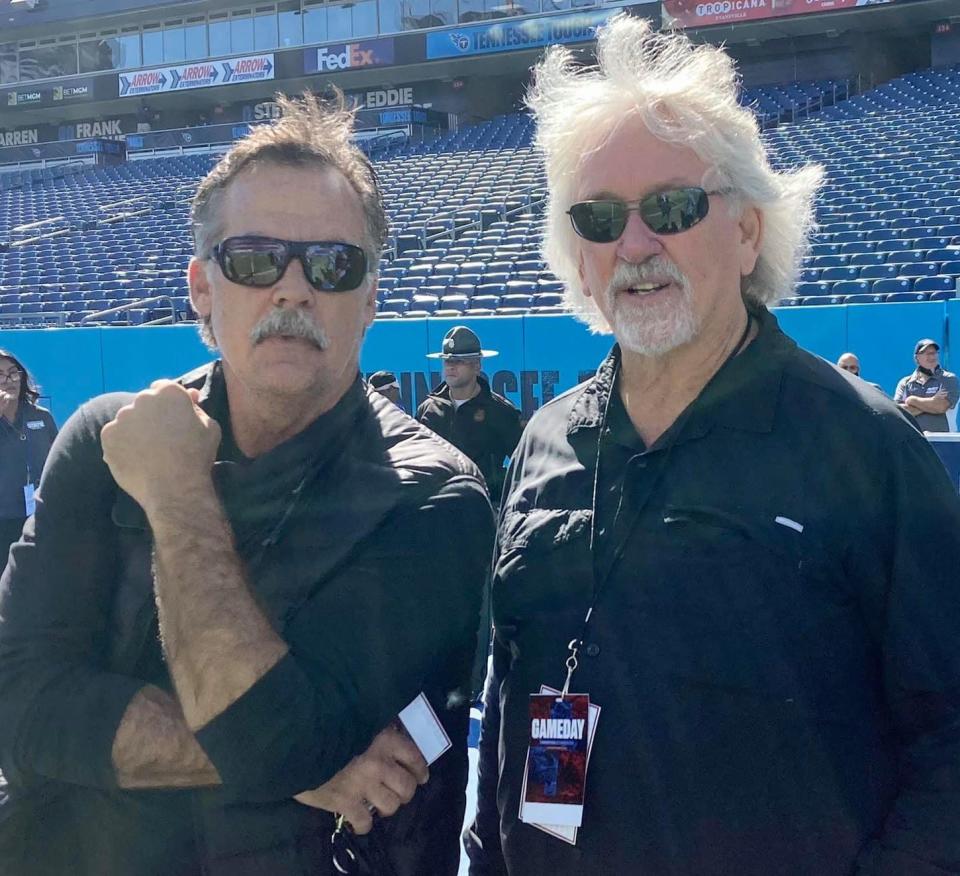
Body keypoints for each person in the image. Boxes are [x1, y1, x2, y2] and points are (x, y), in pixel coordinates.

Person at [467, 14, 960, 875]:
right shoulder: (544, 441)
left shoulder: (865, 446)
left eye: (672, 206)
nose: (634, 243)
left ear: (746, 231)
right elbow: (512, 695)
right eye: (598, 217)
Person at [0, 91, 494, 876]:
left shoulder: (433, 497)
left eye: (333, 265)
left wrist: (175, 494)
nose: (293, 290)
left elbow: (275, 743)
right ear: (202, 286)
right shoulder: (103, 442)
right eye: (255, 260)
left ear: (370, 298)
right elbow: (17, 705)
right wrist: (312, 764)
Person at [416, 326, 523, 504]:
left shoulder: (501, 412)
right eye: (447, 361)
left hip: (483, 511)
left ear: (477, 366)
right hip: (435, 511)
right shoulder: (428, 410)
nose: (450, 366)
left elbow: (523, 463)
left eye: (458, 361)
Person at [0, 350, 56, 567]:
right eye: (1, 374)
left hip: (37, 516)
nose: (9, 381)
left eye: (14, 373)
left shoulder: (41, 416)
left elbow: (57, 460)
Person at [894, 339, 958, 432]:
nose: (932, 356)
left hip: (943, 440)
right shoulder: (905, 383)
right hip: (913, 440)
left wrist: (912, 400)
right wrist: (932, 402)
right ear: (916, 358)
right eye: (927, 353)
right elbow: (899, 412)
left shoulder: (949, 379)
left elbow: (940, 407)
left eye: (934, 352)